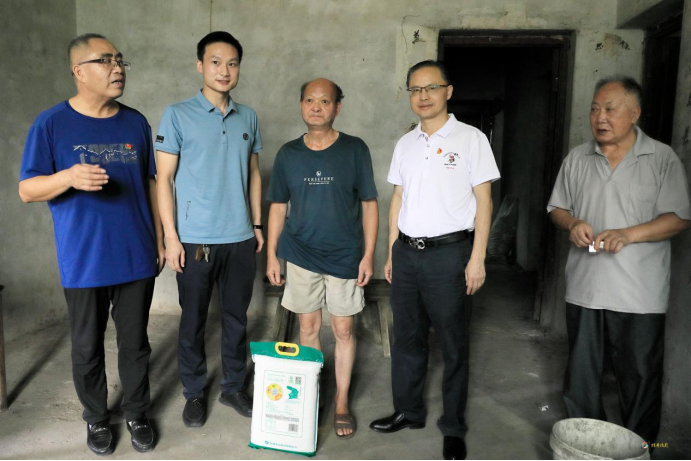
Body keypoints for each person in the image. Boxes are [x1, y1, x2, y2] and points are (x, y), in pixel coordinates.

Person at [18, 33, 163, 455]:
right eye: (105, 61)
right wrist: (68, 177)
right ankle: (96, 418)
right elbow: (27, 190)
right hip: (84, 259)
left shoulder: (136, 122)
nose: (118, 68)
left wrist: (158, 240)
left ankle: (137, 412)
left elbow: (151, 185)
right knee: (86, 346)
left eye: (120, 60)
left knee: (135, 344)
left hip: (136, 255)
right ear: (79, 72)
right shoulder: (51, 123)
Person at [547, 76, 691, 444]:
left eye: (610, 109)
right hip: (585, 288)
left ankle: (640, 447)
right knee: (581, 376)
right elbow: (557, 208)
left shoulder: (661, 158)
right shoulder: (577, 158)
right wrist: (572, 223)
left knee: (640, 377)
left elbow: (679, 218)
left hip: (639, 293)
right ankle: (584, 444)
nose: (600, 117)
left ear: (634, 113)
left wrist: (628, 234)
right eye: (595, 109)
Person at [369, 60, 499, 461]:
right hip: (407, 254)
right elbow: (398, 198)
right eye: (415, 89)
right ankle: (408, 411)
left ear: (448, 91)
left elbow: (484, 201)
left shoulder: (471, 139)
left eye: (431, 88)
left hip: (450, 255)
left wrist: (477, 258)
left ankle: (453, 426)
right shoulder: (405, 143)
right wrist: (392, 250)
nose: (422, 96)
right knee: (407, 338)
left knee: (453, 344)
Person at [156, 31, 263, 428]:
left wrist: (256, 224)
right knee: (193, 320)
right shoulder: (177, 114)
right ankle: (194, 392)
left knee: (237, 318)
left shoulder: (248, 116)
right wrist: (171, 237)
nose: (224, 71)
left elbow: (254, 174)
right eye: (216, 62)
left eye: (232, 63)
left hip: (240, 237)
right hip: (194, 239)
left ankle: (233, 386)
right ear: (200, 65)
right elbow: (164, 179)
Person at [266, 78, 379, 439]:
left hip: (345, 254)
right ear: (301, 105)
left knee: (344, 329)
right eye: (310, 100)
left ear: (337, 107)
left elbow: (369, 204)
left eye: (325, 101)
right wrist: (272, 255)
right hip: (301, 253)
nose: (316, 107)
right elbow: (278, 206)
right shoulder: (288, 154)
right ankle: (312, 396)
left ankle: (342, 401)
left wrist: (368, 255)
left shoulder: (354, 149)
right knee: (308, 328)